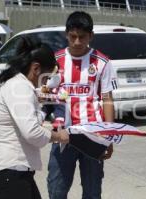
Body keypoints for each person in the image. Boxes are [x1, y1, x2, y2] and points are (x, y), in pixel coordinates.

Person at [0, 35, 70, 199]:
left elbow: (29, 123)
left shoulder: (19, 85)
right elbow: (32, 133)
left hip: (15, 174)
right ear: (36, 69)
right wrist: (58, 136)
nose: (46, 82)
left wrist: (43, 108)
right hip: (9, 174)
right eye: (47, 76)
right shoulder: (19, 88)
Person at [47, 11, 117, 199]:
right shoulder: (55, 60)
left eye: (82, 37)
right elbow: (44, 95)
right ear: (66, 34)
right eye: (73, 36)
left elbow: (108, 99)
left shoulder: (102, 62)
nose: (77, 42)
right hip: (62, 136)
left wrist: (108, 135)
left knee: (92, 191)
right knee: (56, 189)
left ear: (91, 36)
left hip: (93, 135)